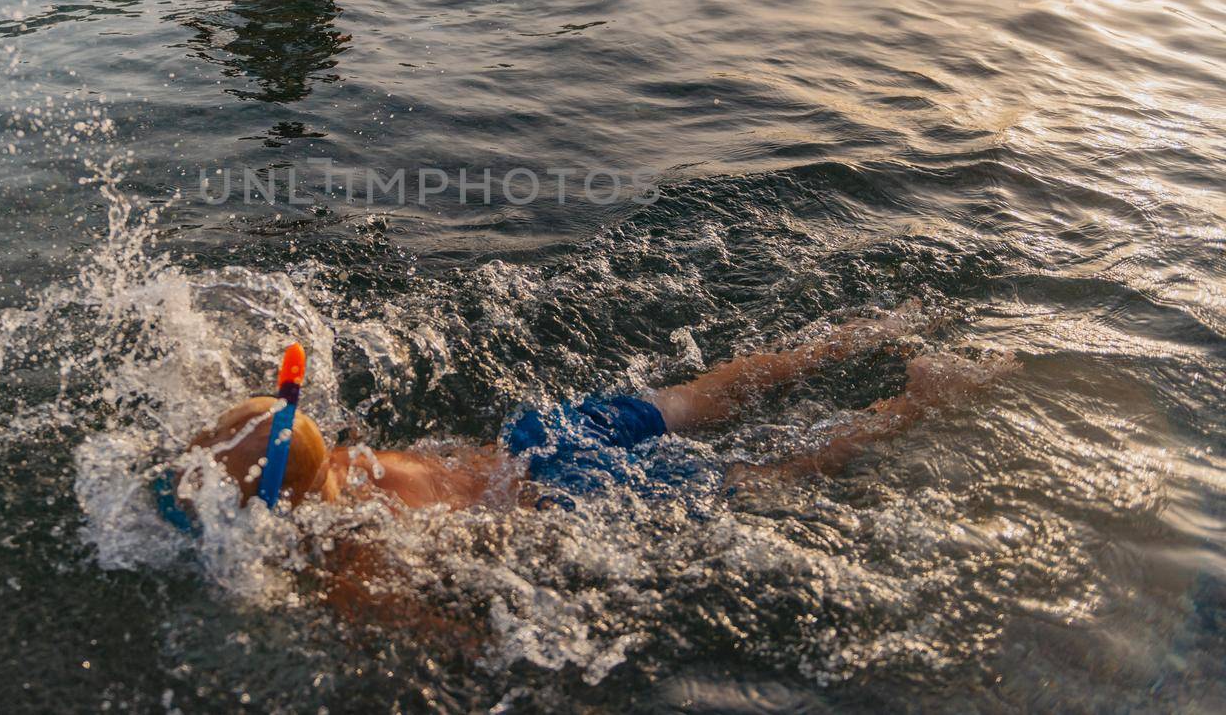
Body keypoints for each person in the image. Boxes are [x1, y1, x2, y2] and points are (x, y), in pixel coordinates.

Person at [164, 301, 1015, 519]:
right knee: (704, 392)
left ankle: (916, 404)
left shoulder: (349, 567)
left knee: (759, 479)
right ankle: (870, 334)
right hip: (534, 441)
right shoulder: (348, 457)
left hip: (568, 502)